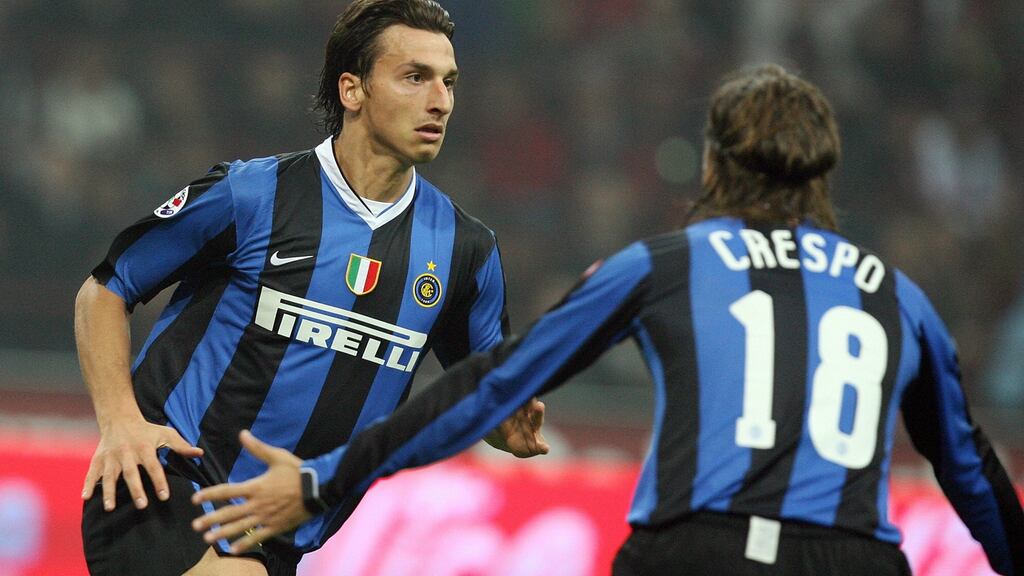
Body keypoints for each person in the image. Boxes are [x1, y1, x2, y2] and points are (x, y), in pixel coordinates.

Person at [190, 65, 1024, 575]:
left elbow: (493, 385)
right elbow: (972, 471)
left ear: (712, 163)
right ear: (824, 174)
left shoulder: (670, 263)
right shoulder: (896, 296)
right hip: (857, 562)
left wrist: (320, 480)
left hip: (695, 555)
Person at [75, 1, 547, 574]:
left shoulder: (465, 252)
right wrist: (119, 419)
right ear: (353, 90)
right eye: (415, 77)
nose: (440, 100)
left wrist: (507, 426)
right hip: (168, 487)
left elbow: (486, 394)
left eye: (449, 82)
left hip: (275, 535)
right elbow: (106, 289)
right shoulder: (251, 195)